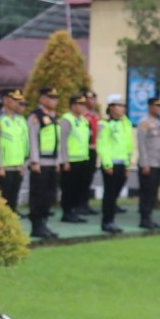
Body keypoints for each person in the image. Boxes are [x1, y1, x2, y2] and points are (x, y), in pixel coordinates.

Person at [27, 87, 61, 238]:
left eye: (55, 98)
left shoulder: (54, 116)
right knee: (38, 195)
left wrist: (59, 160)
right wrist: (34, 161)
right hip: (40, 162)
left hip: (52, 162)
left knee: (49, 195)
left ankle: (44, 223)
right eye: (50, 97)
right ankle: (37, 225)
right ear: (42, 99)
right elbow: (32, 139)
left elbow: (58, 140)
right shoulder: (36, 116)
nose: (54, 101)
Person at [0, 89, 29, 212]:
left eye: (18, 100)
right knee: (3, 201)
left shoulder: (20, 120)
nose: (17, 103)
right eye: (14, 99)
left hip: (18, 166)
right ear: (5, 100)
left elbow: (24, 143)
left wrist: (23, 164)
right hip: (4, 168)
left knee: (13, 199)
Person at [96, 94, 131, 233]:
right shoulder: (104, 124)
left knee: (115, 194)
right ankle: (107, 221)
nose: (122, 108)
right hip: (111, 164)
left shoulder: (124, 123)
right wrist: (107, 164)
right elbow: (102, 145)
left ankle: (112, 220)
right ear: (111, 107)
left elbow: (128, 145)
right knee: (109, 194)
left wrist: (128, 164)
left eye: (123, 106)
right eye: (119, 105)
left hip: (123, 162)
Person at [58, 93, 91, 223]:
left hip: (82, 159)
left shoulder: (83, 120)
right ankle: (67, 212)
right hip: (71, 160)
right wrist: (64, 160)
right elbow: (63, 141)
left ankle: (74, 211)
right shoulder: (67, 120)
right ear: (73, 106)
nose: (83, 107)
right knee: (68, 188)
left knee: (79, 187)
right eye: (80, 104)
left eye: (84, 104)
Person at [136, 96, 160, 230]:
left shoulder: (157, 123)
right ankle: (145, 218)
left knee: (153, 192)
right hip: (148, 164)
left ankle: (149, 217)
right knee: (147, 192)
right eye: (157, 106)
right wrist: (144, 163)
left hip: (157, 162)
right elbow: (142, 145)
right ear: (150, 107)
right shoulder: (144, 123)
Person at [79, 89, 101, 215]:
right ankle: (79, 204)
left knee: (88, 178)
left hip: (94, 150)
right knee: (82, 179)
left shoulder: (95, 115)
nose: (92, 101)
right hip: (84, 150)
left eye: (94, 99)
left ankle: (85, 203)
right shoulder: (82, 116)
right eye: (89, 99)